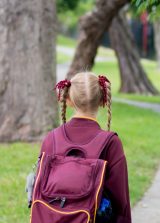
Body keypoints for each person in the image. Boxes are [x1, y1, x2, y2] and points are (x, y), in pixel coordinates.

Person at [38, 72, 131, 223]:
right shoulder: (111, 143)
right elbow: (121, 204)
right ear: (103, 100)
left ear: (68, 100)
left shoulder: (51, 139)